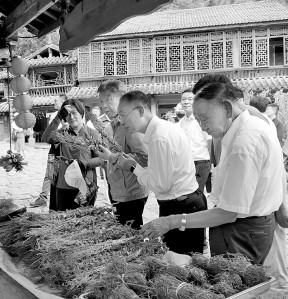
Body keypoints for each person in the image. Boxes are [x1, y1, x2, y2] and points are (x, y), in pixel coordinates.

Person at [138, 82, 284, 266]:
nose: (201, 126)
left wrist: (171, 221)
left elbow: (228, 213)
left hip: (242, 232)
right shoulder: (250, 126)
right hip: (247, 227)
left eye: (205, 119)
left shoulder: (244, 143)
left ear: (227, 109)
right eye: (198, 120)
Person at [193, 74, 288, 292]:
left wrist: (175, 221)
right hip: (243, 215)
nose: (202, 125)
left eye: (204, 117)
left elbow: (273, 170)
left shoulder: (247, 132)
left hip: (248, 221)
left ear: (224, 101)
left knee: (260, 281)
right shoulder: (232, 125)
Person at [102, 90, 207, 254]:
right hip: (184, 202)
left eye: (123, 115)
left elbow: (161, 186)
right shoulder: (164, 129)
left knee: (182, 264)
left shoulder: (159, 137)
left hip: (181, 206)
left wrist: (133, 167)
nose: (121, 121)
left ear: (141, 111)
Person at [97, 80, 149, 229]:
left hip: (131, 193)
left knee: (131, 235)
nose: (104, 105)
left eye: (108, 99)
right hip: (117, 189)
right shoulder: (109, 126)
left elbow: (144, 158)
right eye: (102, 101)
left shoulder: (131, 125)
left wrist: (112, 158)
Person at [42, 99, 103, 211]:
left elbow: (102, 158)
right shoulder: (60, 134)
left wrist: (84, 164)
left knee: (83, 221)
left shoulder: (92, 134)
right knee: (63, 221)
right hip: (63, 185)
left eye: (74, 113)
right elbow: (45, 138)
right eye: (67, 115)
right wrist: (58, 117)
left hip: (85, 186)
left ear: (82, 113)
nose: (71, 117)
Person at [30, 94, 68, 207]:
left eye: (57, 101)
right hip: (54, 148)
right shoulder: (54, 116)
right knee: (49, 173)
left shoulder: (70, 116)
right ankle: (43, 197)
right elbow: (48, 135)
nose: (54, 102)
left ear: (64, 103)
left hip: (66, 149)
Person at [179, 88, 212, 192]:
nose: (186, 102)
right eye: (183, 99)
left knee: (197, 192)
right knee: (188, 193)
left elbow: (209, 141)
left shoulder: (201, 119)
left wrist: (211, 163)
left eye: (190, 99)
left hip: (201, 162)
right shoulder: (181, 123)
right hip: (185, 163)